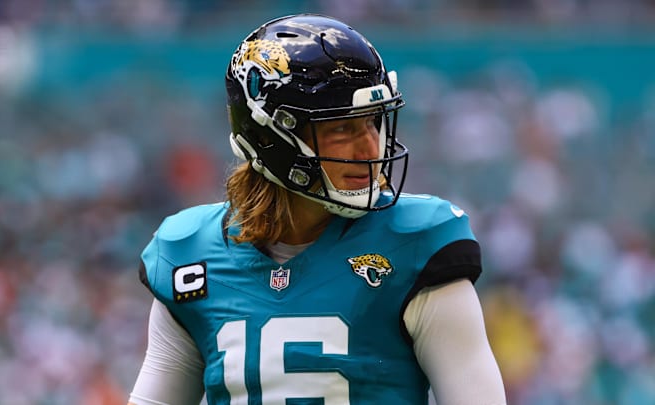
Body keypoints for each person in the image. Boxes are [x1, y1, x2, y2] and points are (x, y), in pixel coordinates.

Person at [128, 13, 507, 405]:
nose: (369, 148)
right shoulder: (192, 256)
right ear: (273, 136)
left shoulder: (417, 244)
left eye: (373, 122)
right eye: (342, 128)